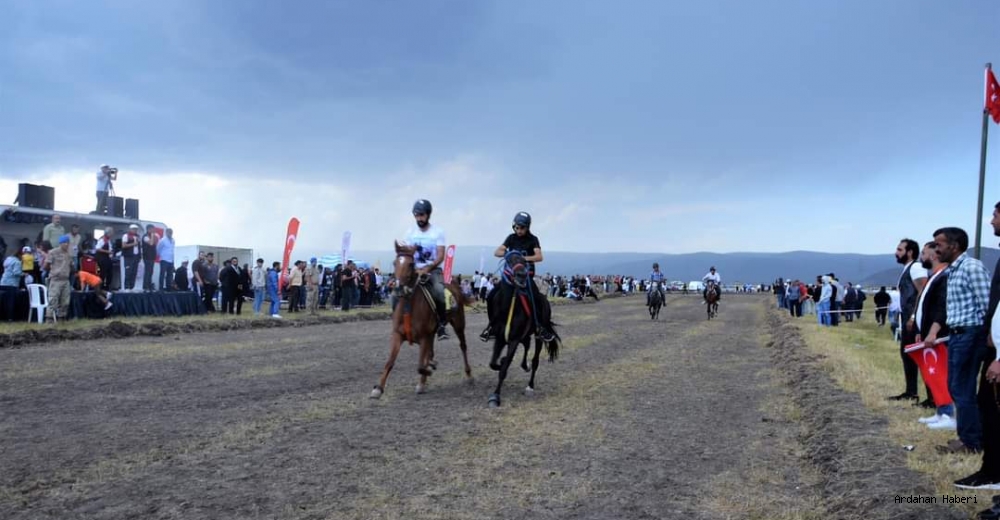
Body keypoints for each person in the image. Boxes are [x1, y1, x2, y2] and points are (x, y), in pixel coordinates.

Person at [933, 227, 989, 456]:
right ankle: (966, 436)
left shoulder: (971, 267)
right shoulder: (952, 270)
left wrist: (986, 336)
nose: (936, 250)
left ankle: (972, 442)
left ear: (954, 246)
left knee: (963, 388)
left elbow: (987, 303)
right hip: (957, 335)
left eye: (939, 244)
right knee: (956, 387)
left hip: (970, 335)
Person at [480, 211, 556, 342]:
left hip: (526, 277)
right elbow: (497, 252)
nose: (519, 230)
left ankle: (540, 327)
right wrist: (509, 255)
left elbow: (539, 256)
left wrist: (522, 258)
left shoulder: (533, 239)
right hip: (510, 277)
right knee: (491, 296)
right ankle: (491, 326)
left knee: (536, 298)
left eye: (522, 228)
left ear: (527, 227)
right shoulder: (511, 238)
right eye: (516, 227)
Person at [912, 241, 954, 430]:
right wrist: (920, 331)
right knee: (934, 374)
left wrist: (933, 331)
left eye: (923, 253)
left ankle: (948, 414)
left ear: (933, 255)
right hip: (927, 335)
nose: (921, 257)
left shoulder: (943, 277)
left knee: (942, 375)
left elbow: (940, 307)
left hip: (939, 336)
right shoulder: (933, 277)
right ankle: (940, 410)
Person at [888, 239, 929, 402]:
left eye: (900, 249)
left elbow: (923, 292)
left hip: (914, 320)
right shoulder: (908, 269)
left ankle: (931, 397)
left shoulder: (916, 268)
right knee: (907, 355)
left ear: (910, 252)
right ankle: (911, 391)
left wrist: (913, 316)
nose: (896, 253)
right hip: (906, 318)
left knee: (918, 356)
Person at [405, 199, 449, 340]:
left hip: (433, 270)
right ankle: (400, 322)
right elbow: (407, 254)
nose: (419, 218)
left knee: (439, 291)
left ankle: (441, 325)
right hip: (414, 270)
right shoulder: (410, 232)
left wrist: (427, 268)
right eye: (416, 215)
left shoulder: (437, 232)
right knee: (398, 292)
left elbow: (440, 256)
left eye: (422, 215)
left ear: (428, 215)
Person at [44, 235, 73, 320]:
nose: (66, 244)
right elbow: (46, 265)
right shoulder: (53, 252)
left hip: (65, 280)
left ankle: (61, 318)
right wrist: (55, 271)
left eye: (68, 242)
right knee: (53, 299)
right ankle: (49, 319)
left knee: (65, 301)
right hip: (55, 279)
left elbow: (72, 266)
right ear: (60, 243)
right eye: (64, 242)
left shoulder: (68, 254)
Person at [121, 224, 141, 291]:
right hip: (128, 257)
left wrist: (139, 256)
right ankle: (126, 287)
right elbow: (123, 246)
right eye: (134, 229)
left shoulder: (137, 236)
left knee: (134, 273)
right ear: (130, 229)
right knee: (128, 272)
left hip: (136, 257)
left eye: (136, 229)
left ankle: (132, 287)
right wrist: (133, 244)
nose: (135, 230)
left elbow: (139, 247)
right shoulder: (126, 236)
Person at [141, 224, 159, 292]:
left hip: (152, 256)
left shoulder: (151, 236)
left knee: (151, 272)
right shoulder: (145, 236)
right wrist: (152, 235)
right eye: (152, 229)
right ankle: (145, 287)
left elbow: (155, 243)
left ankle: (149, 286)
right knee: (147, 272)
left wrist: (153, 236)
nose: (153, 230)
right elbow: (151, 243)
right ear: (148, 229)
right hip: (147, 256)